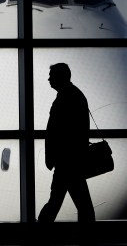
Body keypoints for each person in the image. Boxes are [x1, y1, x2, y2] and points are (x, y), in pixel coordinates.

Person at [38, 63, 95, 222]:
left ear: (60, 77)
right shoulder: (75, 94)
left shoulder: (65, 97)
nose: (49, 79)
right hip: (72, 161)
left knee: (57, 202)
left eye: (51, 75)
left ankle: (38, 234)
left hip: (67, 162)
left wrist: (53, 157)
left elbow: (56, 132)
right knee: (81, 205)